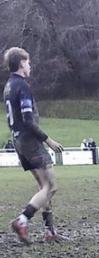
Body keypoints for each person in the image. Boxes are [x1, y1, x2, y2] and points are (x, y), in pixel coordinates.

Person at [3, 47, 66, 243]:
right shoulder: (22, 87)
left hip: (18, 140)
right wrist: (48, 140)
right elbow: (28, 120)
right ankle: (22, 220)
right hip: (30, 140)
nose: (30, 66)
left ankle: (49, 232)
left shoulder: (9, 86)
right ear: (21, 63)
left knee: (43, 186)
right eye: (28, 62)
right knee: (50, 186)